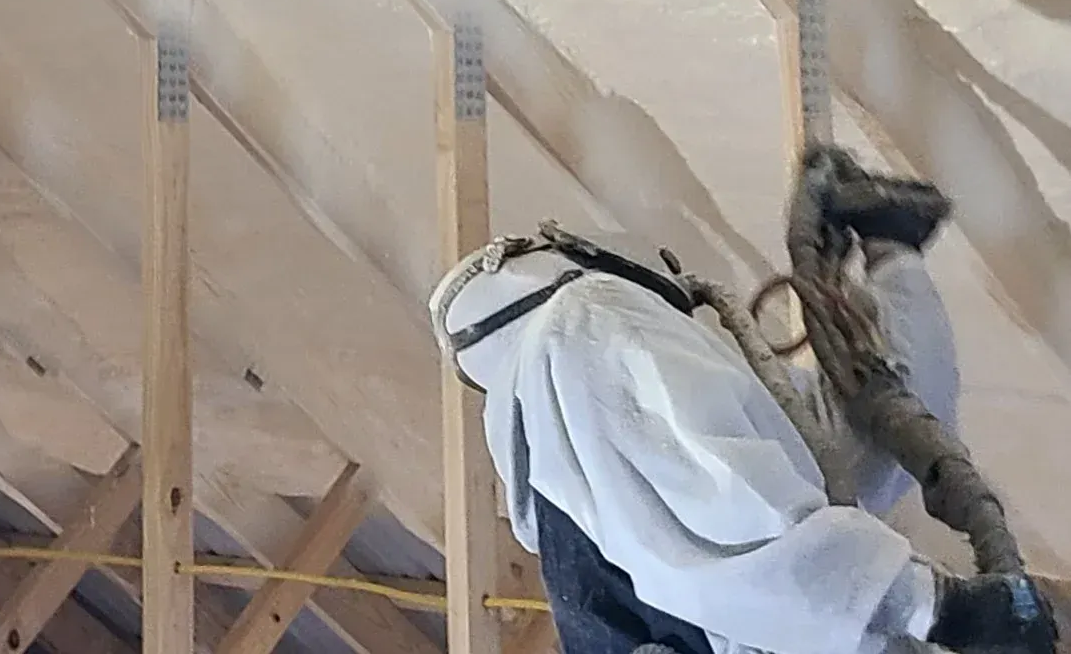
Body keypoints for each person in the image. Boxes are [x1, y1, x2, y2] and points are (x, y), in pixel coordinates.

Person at [427, 146, 1058, 654]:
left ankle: (890, 241)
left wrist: (892, 254)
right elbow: (744, 521)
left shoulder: (568, 439)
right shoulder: (585, 325)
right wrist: (940, 608)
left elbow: (858, 452)